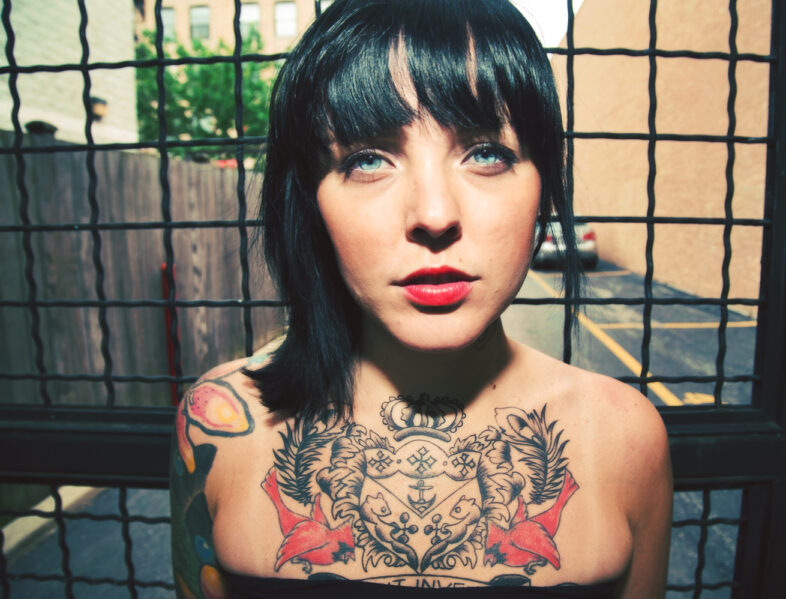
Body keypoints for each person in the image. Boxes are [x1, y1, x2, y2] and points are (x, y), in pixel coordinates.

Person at [170, 0, 672, 597]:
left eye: (487, 152)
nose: (434, 215)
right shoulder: (220, 426)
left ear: (544, 189)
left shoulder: (625, 438)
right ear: (310, 205)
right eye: (368, 160)